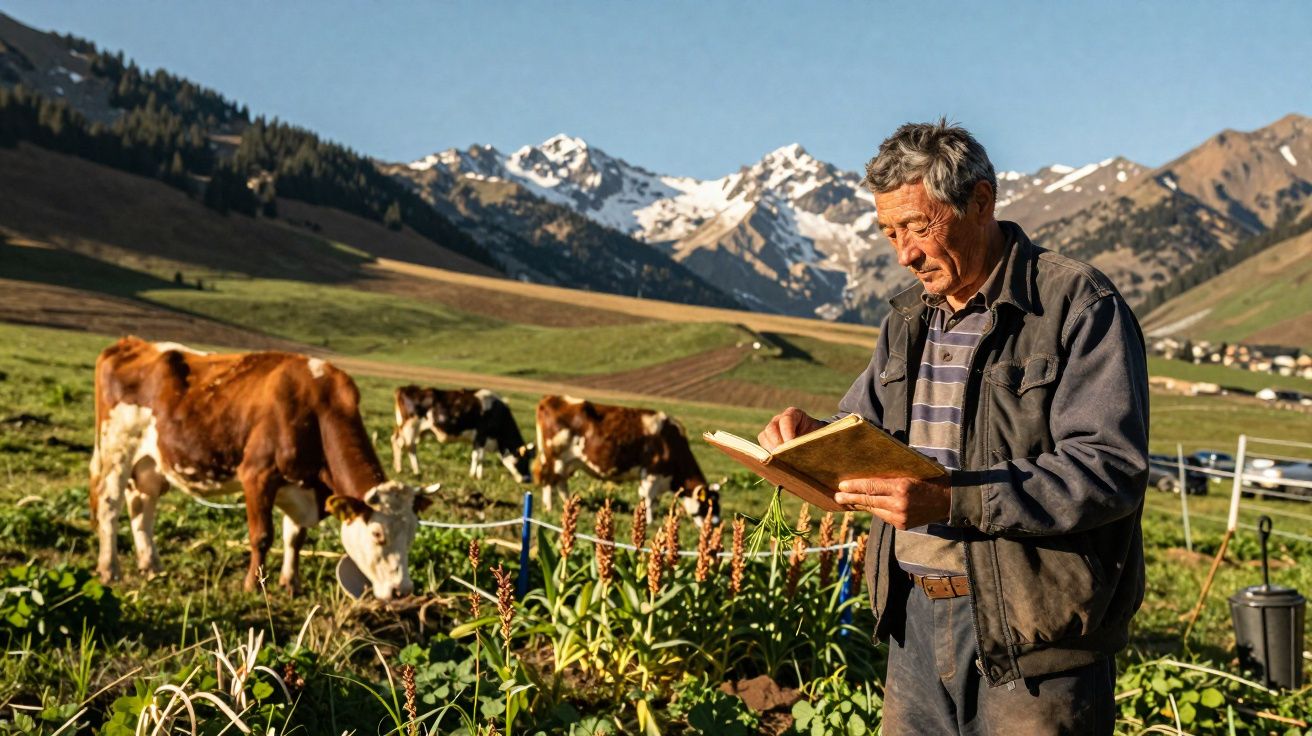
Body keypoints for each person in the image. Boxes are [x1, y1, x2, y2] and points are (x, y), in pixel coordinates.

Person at [757, 120, 1148, 735]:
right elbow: (865, 429)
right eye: (889, 232)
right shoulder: (907, 321)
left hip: (1032, 633)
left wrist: (952, 498)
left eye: (917, 226)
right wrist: (812, 436)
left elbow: (1107, 468)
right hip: (914, 619)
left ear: (981, 201)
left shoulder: (1075, 304)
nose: (904, 254)